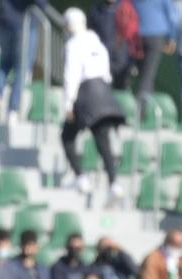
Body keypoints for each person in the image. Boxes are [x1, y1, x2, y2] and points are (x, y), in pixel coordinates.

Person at [60, 7, 127, 203]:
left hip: (86, 94)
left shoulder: (73, 44)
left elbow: (71, 75)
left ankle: (80, 177)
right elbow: (106, 74)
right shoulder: (97, 43)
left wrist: (68, 103)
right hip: (104, 93)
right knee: (102, 140)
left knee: (67, 136)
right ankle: (114, 182)